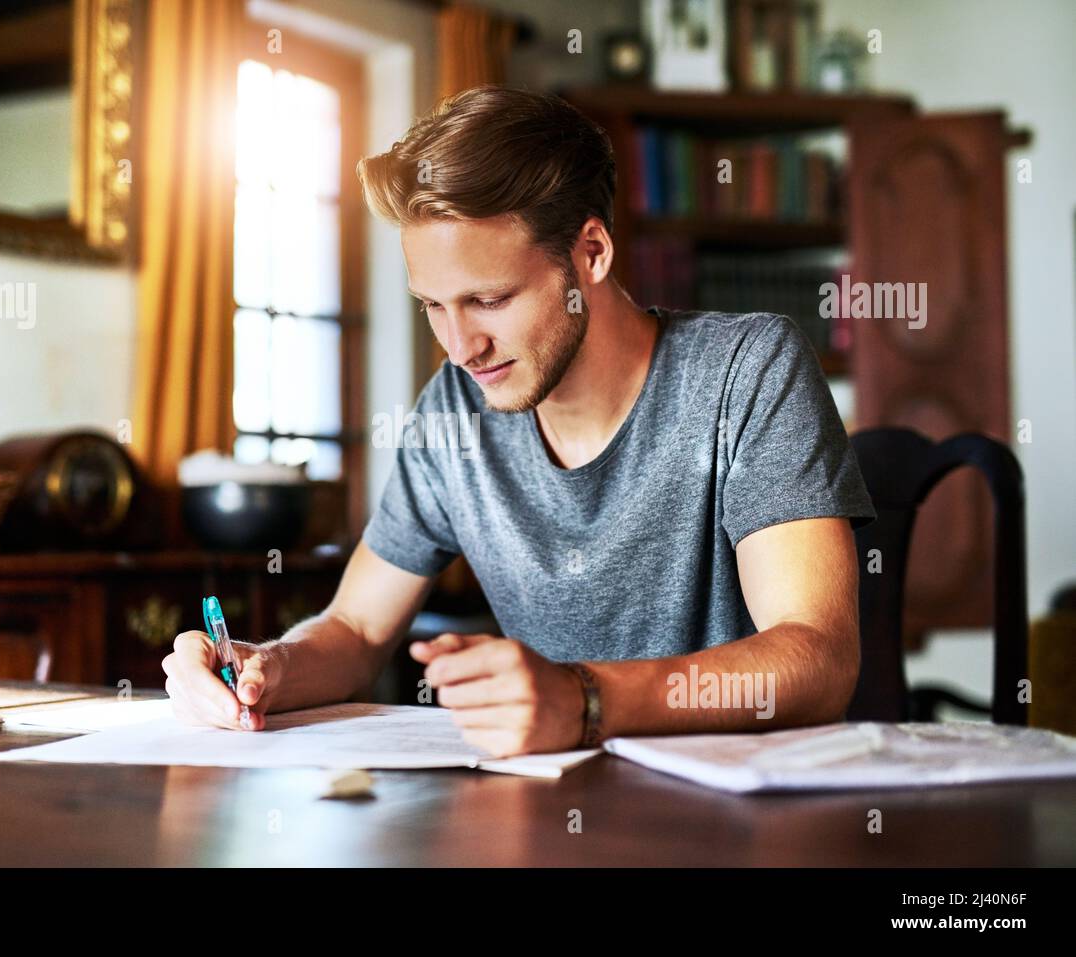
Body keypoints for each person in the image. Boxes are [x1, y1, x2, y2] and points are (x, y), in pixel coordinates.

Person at [163, 85, 875, 757]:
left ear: (590, 253)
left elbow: (817, 655)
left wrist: (586, 700)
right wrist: (266, 667)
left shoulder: (747, 370)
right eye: (433, 306)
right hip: (546, 809)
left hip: (741, 822)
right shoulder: (454, 407)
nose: (460, 346)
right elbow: (354, 628)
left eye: (491, 299)